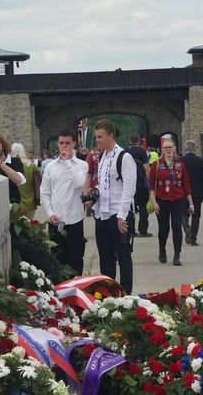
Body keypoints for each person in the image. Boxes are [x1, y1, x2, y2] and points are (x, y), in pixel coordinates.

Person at [84, 119, 136, 293]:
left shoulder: (124, 157)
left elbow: (129, 188)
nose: (97, 140)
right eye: (96, 136)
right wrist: (94, 192)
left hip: (118, 214)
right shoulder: (103, 156)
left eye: (100, 136)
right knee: (105, 257)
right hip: (103, 214)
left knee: (123, 256)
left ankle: (127, 293)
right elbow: (105, 183)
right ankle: (110, 293)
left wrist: (122, 215)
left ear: (110, 136)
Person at [41, 130, 89, 275]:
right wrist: (49, 213)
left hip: (74, 219)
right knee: (57, 260)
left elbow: (79, 184)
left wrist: (68, 162)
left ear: (74, 143)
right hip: (56, 219)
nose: (64, 147)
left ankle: (76, 291)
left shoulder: (82, 165)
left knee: (75, 260)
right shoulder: (50, 167)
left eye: (67, 143)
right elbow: (45, 192)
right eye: (61, 143)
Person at [149, 137, 193, 265]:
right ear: (162, 150)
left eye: (170, 147)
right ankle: (162, 249)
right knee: (163, 228)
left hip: (178, 199)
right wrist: (154, 202)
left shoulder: (180, 165)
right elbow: (151, 186)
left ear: (174, 149)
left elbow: (186, 186)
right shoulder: (156, 165)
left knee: (176, 226)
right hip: (161, 200)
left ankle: (177, 255)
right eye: (165, 147)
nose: (168, 150)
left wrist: (190, 203)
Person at [180, 140, 203, 246]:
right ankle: (193, 238)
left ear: (186, 148)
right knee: (196, 216)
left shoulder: (181, 160)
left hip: (183, 191)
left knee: (183, 213)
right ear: (194, 148)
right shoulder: (201, 161)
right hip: (197, 192)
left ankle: (186, 227)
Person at [125, 132, 152, 238]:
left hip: (128, 183)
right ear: (139, 140)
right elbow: (146, 168)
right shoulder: (141, 151)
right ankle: (143, 229)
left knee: (129, 208)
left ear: (129, 140)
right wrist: (149, 182)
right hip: (140, 184)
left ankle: (131, 230)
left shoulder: (125, 151)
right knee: (143, 207)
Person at [11, 143, 41, 218]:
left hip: (14, 204)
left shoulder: (9, 166)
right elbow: (40, 179)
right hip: (30, 203)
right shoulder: (31, 165)